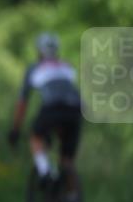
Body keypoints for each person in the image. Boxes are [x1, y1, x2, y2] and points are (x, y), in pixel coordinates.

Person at [8, 33, 82, 192]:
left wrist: (15, 129)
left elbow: (22, 103)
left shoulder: (34, 68)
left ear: (39, 51)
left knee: (36, 137)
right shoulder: (66, 66)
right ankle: (73, 201)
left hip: (52, 108)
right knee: (67, 160)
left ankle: (45, 173)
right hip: (75, 109)